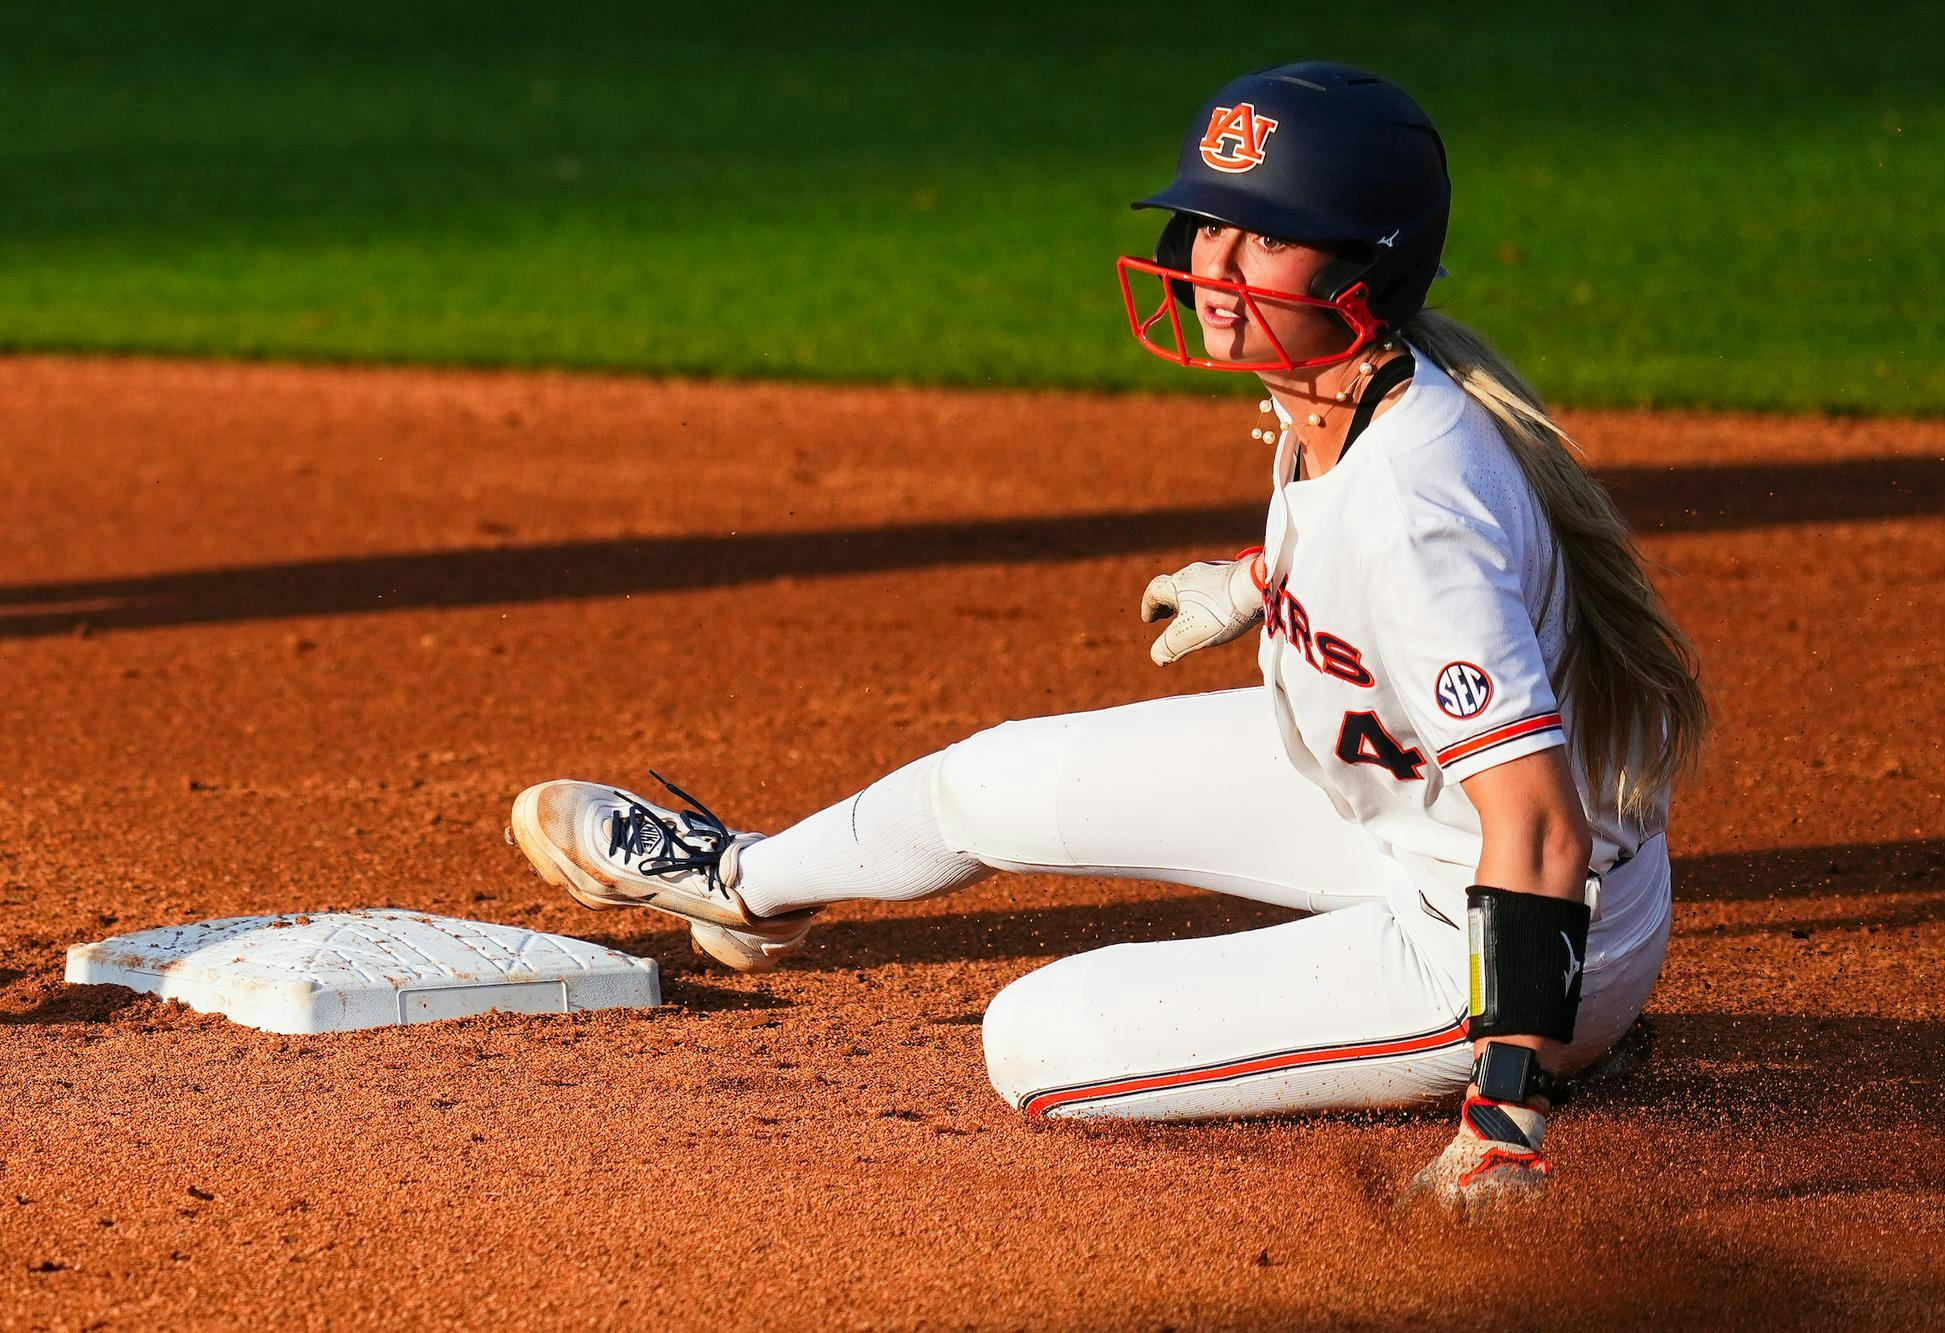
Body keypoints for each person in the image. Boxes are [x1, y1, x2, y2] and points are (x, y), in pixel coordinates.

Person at [507, 62, 1707, 1209]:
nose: (1210, 264)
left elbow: (1536, 821)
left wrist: (1507, 1112)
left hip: (1490, 923)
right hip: (1387, 796)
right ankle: (740, 887)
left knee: (1032, 1041)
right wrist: (1253, 582)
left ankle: (1543, 1052)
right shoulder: (1357, 388)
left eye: (1261, 236)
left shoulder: (1414, 509)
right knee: (984, 782)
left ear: (1364, 271)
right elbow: (1372, 557)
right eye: (1204, 224)